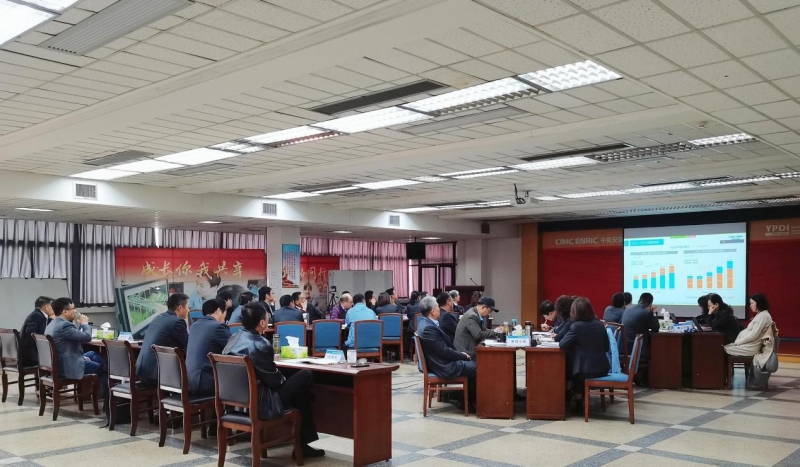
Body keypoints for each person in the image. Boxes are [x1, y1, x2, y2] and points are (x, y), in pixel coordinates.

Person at [223, 303, 324, 458]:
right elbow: (275, 382)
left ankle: (301, 444)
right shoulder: (261, 344)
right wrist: (285, 378)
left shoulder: (233, 337)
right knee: (305, 376)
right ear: (262, 322)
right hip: (262, 402)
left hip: (237, 399)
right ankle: (302, 445)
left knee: (300, 393)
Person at [416, 296, 475, 410]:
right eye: (438, 306)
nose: (439, 308)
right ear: (433, 311)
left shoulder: (424, 323)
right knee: (478, 367)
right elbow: (444, 351)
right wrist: (462, 355)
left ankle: (462, 398)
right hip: (443, 366)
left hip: (439, 362)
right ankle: (468, 403)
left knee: (473, 364)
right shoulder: (429, 328)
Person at [45, 298, 107, 395]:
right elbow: (87, 337)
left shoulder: (53, 324)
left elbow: (76, 336)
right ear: (65, 312)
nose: (76, 311)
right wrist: (85, 324)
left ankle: (99, 394)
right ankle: (107, 397)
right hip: (67, 367)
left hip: (61, 362)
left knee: (93, 354)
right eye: (73, 308)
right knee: (104, 367)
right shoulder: (64, 326)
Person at [558, 298, 610, 397]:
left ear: (574, 311)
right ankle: (579, 399)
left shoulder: (576, 326)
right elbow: (606, 347)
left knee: (571, 368)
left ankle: (576, 400)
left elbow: (563, 344)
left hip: (583, 371)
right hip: (603, 368)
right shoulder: (600, 325)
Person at [136, 293, 190, 386]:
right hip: (156, 374)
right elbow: (189, 345)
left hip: (143, 371)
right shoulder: (177, 322)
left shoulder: (159, 318)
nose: (189, 310)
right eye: (188, 307)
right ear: (180, 308)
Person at [725, 294, 777, 382]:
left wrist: (737, 343)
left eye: (752, 303)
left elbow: (753, 335)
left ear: (759, 303)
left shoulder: (763, 316)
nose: (750, 306)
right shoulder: (760, 315)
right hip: (748, 345)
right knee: (723, 348)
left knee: (722, 349)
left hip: (750, 347)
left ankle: (721, 379)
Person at [186, 299, 231, 395]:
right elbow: (235, 348)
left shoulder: (194, 326)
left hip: (188, 381)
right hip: (205, 382)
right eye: (225, 311)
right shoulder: (218, 327)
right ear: (218, 310)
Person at [621, 292, 659, 357]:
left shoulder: (627, 310)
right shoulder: (647, 312)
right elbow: (656, 328)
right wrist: (653, 313)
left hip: (624, 348)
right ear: (650, 304)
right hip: (638, 349)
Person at [20, 296, 54, 366]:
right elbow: (31, 334)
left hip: (35, 352)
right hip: (31, 356)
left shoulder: (42, 315)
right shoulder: (36, 316)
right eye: (52, 306)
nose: (54, 309)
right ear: (46, 307)